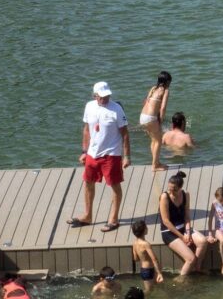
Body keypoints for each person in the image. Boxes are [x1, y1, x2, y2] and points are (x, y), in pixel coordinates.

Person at [71, 81, 130, 232]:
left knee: (115, 185)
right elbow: (86, 130)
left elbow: (125, 133)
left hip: (111, 154)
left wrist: (126, 156)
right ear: (95, 96)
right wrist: (84, 151)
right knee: (88, 182)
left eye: (107, 95)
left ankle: (114, 219)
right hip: (92, 153)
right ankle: (88, 215)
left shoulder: (116, 109)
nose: (105, 98)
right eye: (102, 96)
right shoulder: (89, 106)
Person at [157, 170, 207, 278]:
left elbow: (187, 217)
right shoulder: (164, 197)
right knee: (191, 258)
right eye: (169, 189)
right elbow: (166, 221)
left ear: (180, 188)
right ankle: (180, 280)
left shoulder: (185, 195)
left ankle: (197, 269)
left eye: (174, 190)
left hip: (183, 228)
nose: (171, 192)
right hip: (169, 231)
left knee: (203, 241)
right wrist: (182, 237)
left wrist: (188, 232)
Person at [139, 71, 171, 171]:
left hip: (143, 116)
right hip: (151, 118)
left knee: (153, 140)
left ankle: (156, 162)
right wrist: (160, 119)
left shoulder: (153, 88)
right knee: (158, 140)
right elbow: (163, 107)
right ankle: (155, 165)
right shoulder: (165, 91)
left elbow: (145, 102)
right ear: (167, 82)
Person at [130, 219, 163, 291]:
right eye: (146, 227)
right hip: (149, 270)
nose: (147, 228)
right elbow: (154, 259)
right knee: (148, 291)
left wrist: (143, 257)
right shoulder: (146, 244)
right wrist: (159, 273)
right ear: (144, 230)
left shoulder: (134, 243)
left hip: (144, 270)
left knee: (153, 289)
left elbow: (135, 259)